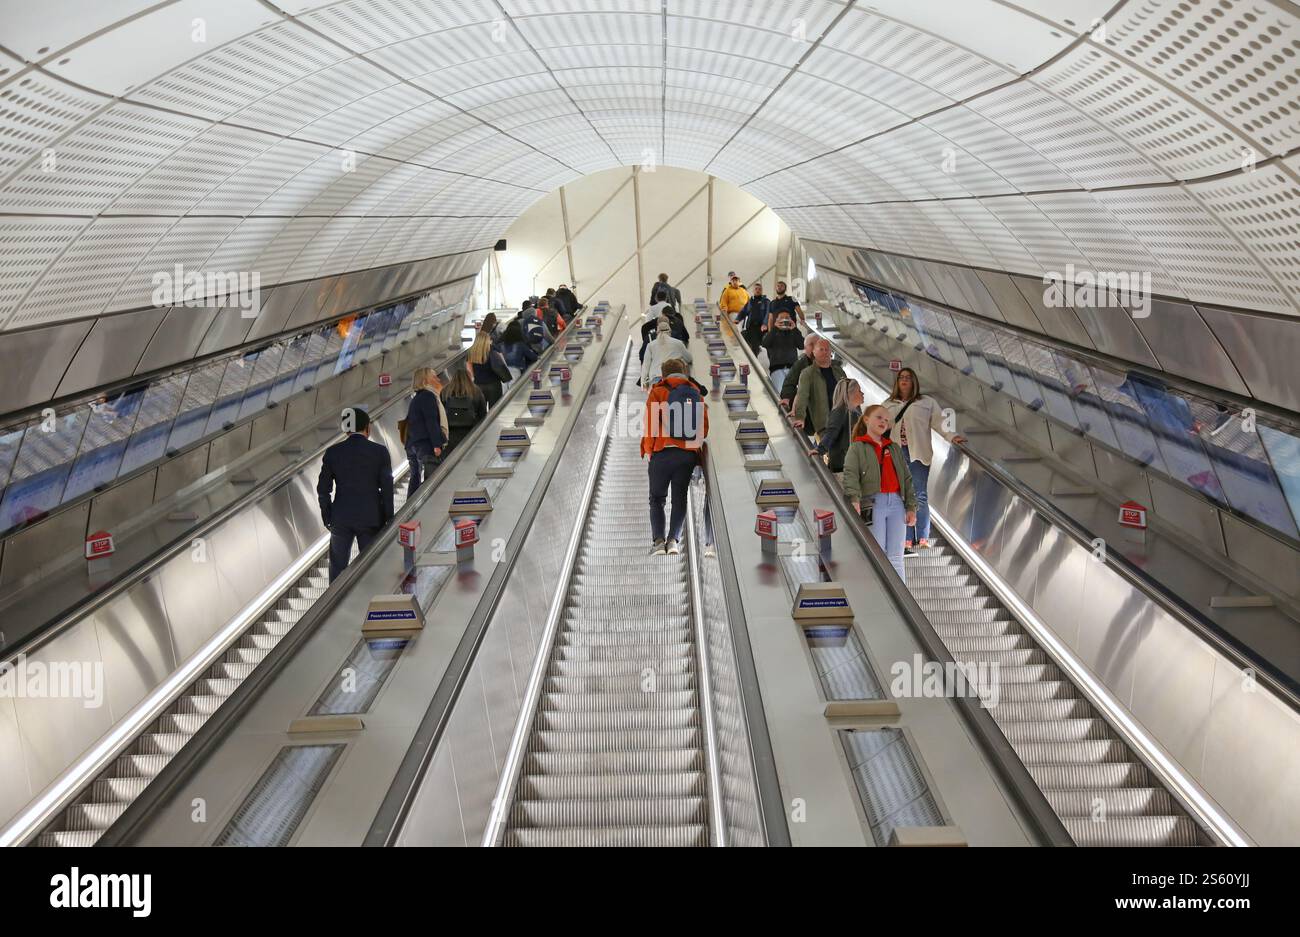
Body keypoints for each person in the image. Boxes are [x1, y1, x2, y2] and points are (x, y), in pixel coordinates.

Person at [882, 367, 966, 553]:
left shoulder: (926, 402)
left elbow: (940, 422)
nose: (904, 381)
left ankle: (922, 536)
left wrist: (952, 436)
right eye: (901, 378)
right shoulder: (888, 404)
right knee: (903, 495)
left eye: (908, 378)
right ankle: (906, 538)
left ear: (914, 382)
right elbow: (878, 424)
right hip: (897, 453)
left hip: (919, 454)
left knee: (919, 493)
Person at [317, 407, 395, 582]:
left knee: (337, 567)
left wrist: (327, 515)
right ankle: (369, 600)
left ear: (347, 429)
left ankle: (333, 607)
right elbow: (387, 487)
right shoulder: (380, 452)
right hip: (371, 517)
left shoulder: (333, 452)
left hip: (341, 518)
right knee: (370, 567)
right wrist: (389, 517)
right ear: (367, 427)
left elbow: (323, 489)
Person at [642, 358, 709, 556]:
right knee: (679, 500)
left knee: (657, 499)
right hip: (686, 456)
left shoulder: (657, 391)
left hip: (662, 453)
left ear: (663, 375)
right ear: (684, 372)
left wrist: (649, 449)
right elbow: (703, 428)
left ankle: (658, 542)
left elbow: (651, 425)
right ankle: (673, 541)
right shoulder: (695, 392)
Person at [843, 405, 917, 582]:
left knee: (896, 556)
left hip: (897, 504)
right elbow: (850, 474)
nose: (883, 421)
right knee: (878, 554)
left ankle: (902, 603)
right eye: (879, 417)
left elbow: (906, 478)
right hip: (874, 504)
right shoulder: (857, 448)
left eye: (886, 420)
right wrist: (854, 499)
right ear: (866, 419)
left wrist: (911, 507)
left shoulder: (894, 448)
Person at [403, 367, 448, 499]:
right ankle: (427, 504)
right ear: (425, 380)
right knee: (430, 478)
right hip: (424, 443)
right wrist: (436, 445)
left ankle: (409, 510)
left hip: (412, 443)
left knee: (415, 477)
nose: (438, 379)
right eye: (434, 376)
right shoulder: (428, 396)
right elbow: (431, 421)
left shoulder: (416, 398)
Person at [791, 338, 847, 441]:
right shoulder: (807, 373)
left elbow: (849, 394)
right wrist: (800, 418)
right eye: (821, 349)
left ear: (831, 352)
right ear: (814, 352)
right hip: (824, 425)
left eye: (827, 349)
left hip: (843, 422)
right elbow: (802, 396)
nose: (825, 352)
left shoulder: (839, 371)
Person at [813, 378, 863, 483]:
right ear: (850, 393)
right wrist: (820, 450)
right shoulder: (840, 411)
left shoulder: (855, 413)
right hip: (843, 467)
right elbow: (831, 432)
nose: (862, 393)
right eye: (859, 390)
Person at [441, 369, 488, 451]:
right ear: (468, 377)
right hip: (471, 429)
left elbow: (441, 411)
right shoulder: (475, 390)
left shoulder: (445, 391)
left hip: (451, 431)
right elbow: (482, 412)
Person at [641, 317, 692, 387]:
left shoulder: (651, 345)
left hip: (656, 378)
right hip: (674, 378)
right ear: (670, 331)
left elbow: (646, 365)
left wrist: (643, 382)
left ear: (657, 332)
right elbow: (689, 358)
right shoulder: (678, 343)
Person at [763, 311, 804, 392]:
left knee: (793, 392)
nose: (784, 320)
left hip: (792, 368)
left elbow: (802, 345)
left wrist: (794, 329)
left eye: (787, 318)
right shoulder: (773, 333)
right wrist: (775, 328)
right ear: (776, 320)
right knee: (780, 391)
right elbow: (765, 343)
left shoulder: (794, 332)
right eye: (781, 318)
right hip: (776, 368)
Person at [468, 330, 510, 406]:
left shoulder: (471, 351)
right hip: (493, 384)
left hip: (478, 385)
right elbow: (503, 362)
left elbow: (469, 369)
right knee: (494, 410)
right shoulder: (492, 348)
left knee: (480, 411)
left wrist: (475, 377)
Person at [780, 333, 819, 410]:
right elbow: (789, 383)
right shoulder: (801, 364)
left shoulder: (829, 363)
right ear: (805, 347)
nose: (814, 347)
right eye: (811, 345)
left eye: (817, 344)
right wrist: (787, 398)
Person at [735, 282, 771, 355]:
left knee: (755, 342)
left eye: (760, 289)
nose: (758, 290)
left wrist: (765, 324)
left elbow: (768, 314)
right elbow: (744, 311)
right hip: (750, 327)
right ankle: (752, 351)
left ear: (762, 291)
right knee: (742, 335)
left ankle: (754, 356)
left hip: (761, 327)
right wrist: (738, 319)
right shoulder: (750, 301)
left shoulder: (766, 301)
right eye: (756, 289)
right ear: (753, 291)